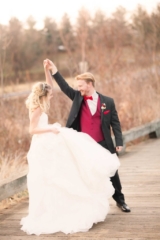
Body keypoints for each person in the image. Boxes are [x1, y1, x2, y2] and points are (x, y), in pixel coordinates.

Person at [20, 60, 120, 235]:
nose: (52, 96)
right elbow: (32, 129)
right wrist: (51, 128)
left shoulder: (43, 98)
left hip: (50, 139)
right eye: (49, 95)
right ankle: (53, 209)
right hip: (42, 144)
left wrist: (48, 71)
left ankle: (118, 199)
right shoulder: (36, 107)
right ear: (43, 95)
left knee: (62, 170)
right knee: (50, 176)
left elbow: (49, 86)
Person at [46, 59, 131, 213]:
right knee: (86, 175)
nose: (78, 88)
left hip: (104, 143)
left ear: (89, 84)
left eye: (80, 85)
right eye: (77, 86)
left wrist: (119, 141)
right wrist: (54, 69)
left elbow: (115, 124)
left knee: (113, 173)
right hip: (84, 145)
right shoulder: (77, 97)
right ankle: (90, 207)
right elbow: (64, 86)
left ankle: (121, 201)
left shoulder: (108, 102)